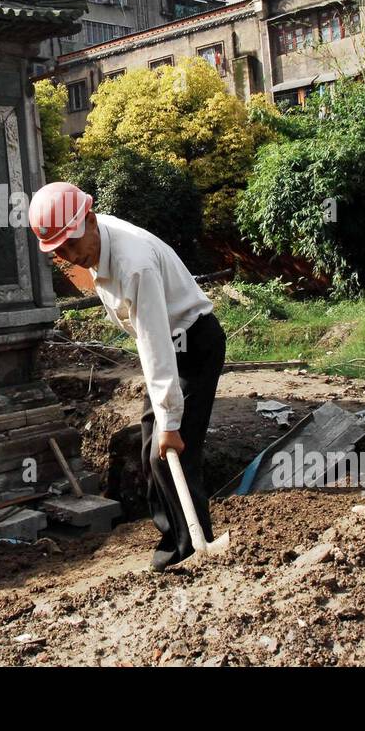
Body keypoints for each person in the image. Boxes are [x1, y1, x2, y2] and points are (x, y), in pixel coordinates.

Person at [28, 181, 226, 569]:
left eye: (70, 245)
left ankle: (195, 550)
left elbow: (158, 346)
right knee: (150, 451)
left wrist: (170, 420)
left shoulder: (134, 264)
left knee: (173, 448)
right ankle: (174, 543)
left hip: (192, 346)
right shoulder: (98, 244)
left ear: (88, 217)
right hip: (169, 345)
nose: (70, 257)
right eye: (60, 252)